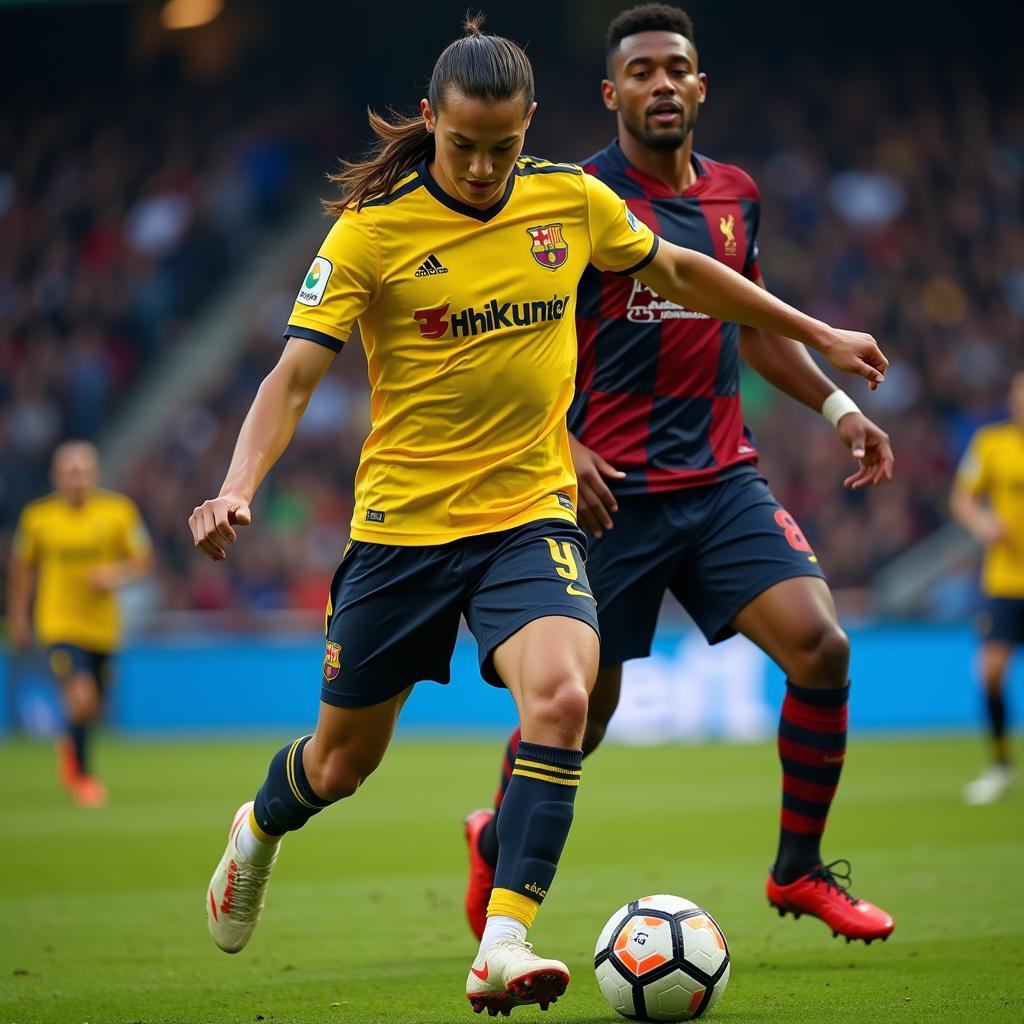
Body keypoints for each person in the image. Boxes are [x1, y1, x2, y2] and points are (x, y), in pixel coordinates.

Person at [189, 17, 888, 1014]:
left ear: (530, 128)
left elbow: (686, 275)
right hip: (403, 532)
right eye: (462, 145)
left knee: (561, 700)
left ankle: (504, 943)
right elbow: (294, 375)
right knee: (340, 764)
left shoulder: (572, 199)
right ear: (431, 122)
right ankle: (256, 829)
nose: (481, 167)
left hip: (529, 515)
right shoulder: (370, 233)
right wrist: (239, 485)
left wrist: (816, 331)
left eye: (503, 147)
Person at [463, 3, 895, 949]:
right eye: (643, 71)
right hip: (606, 492)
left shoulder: (736, 196)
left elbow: (753, 331)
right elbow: (509, 346)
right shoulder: (569, 200)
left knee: (822, 649)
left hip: (721, 482)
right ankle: (496, 842)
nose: (662, 84)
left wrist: (839, 408)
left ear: (701, 86)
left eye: (678, 68)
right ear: (611, 92)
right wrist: (563, 447)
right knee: (583, 715)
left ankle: (797, 870)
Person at [8, 440, 153, 807]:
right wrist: (19, 617)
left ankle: (69, 747)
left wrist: (112, 574)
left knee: (92, 707)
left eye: (83, 471)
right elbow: (22, 571)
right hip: (58, 623)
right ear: (56, 476)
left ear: (95, 474)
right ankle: (83, 777)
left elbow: (143, 561)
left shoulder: (118, 512)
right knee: (81, 695)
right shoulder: (38, 518)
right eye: (70, 472)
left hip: (103, 627)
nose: (77, 479)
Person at [950, 370, 1024, 805]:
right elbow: (962, 498)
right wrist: (983, 525)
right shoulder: (991, 444)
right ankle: (999, 765)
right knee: (991, 672)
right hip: (1005, 581)